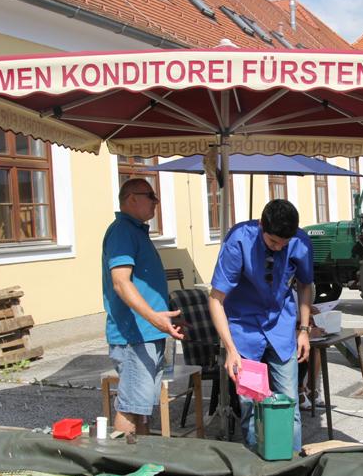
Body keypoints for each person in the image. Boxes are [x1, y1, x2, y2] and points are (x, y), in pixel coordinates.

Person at [208, 199, 314, 452]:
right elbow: (215, 299)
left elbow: (305, 285)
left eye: (284, 244)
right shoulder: (238, 240)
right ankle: (256, 470)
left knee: (289, 402)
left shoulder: (300, 242)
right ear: (260, 226)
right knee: (251, 405)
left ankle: (292, 465)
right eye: (273, 242)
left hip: (281, 329)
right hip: (244, 332)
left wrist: (304, 329)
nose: (278, 248)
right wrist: (231, 349)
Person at [102, 178, 184, 436]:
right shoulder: (122, 231)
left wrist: (164, 317)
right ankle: (121, 466)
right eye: (151, 196)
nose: (156, 203)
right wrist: (153, 318)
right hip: (135, 336)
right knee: (130, 406)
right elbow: (120, 283)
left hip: (148, 332)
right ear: (131, 199)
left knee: (142, 408)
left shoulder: (136, 231)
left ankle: (142, 462)